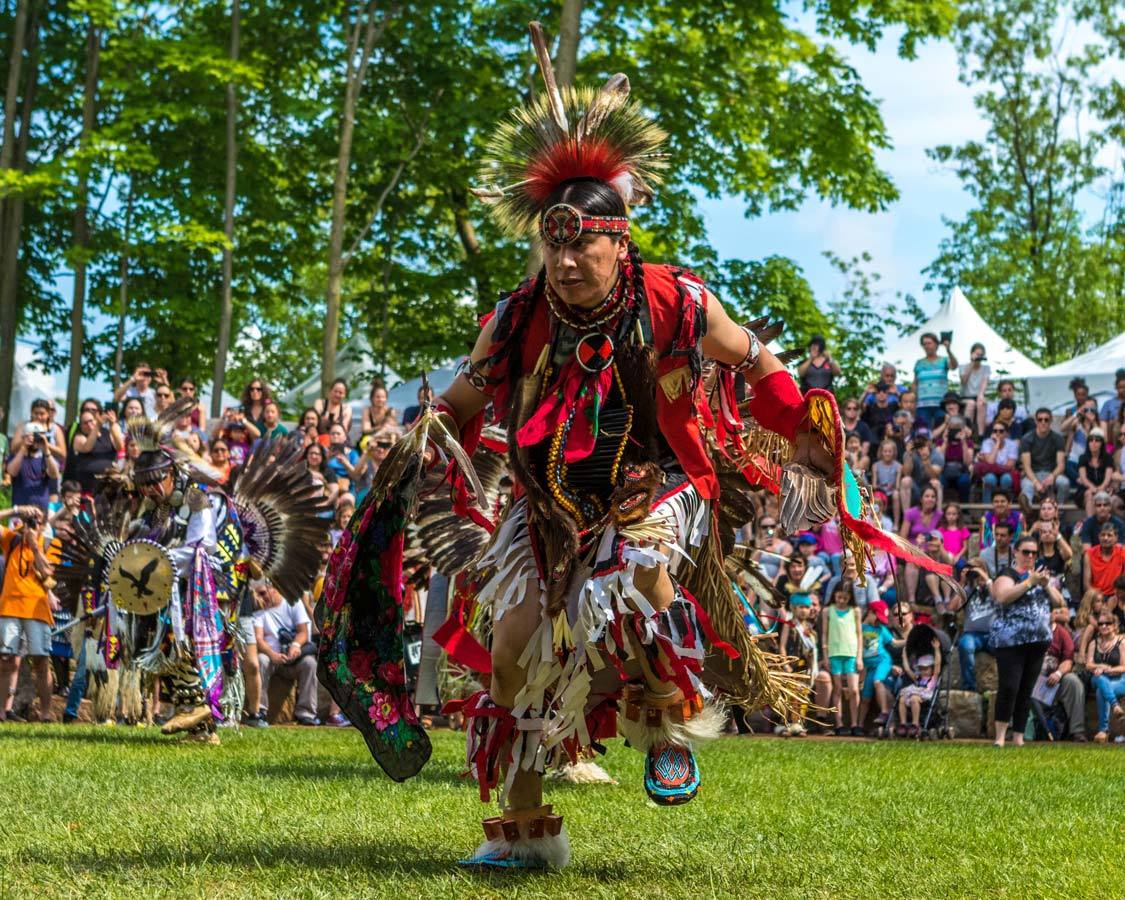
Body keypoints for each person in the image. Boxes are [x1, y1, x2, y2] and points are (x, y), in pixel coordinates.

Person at [314, 46, 926, 870]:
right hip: (548, 498)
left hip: (657, 483)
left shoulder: (678, 301)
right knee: (514, 649)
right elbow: (459, 405)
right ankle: (526, 833)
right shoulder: (517, 316)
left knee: (635, 579)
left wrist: (802, 419)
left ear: (617, 240)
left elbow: (755, 364)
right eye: (551, 250)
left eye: (581, 250)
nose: (563, 265)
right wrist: (425, 441)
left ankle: (666, 718)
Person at [989, 534, 1060, 747]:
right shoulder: (1007, 574)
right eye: (1026, 552)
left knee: (1026, 689)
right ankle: (1000, 737)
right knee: (1009, 687)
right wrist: (1030, 582)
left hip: (1038, 641)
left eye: (1034, 553)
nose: (1030, 556)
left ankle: (1018, 737)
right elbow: (1002, 596)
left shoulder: (1040, 576)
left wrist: (1046, 585)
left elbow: (1059, 602)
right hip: (1011, 642)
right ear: (1016, 552)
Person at [0, 505, 59, 721]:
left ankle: (45, 713)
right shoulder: (12, 540)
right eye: (31, 521)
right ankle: (3, 712)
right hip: (9, 607)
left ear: (44, 525)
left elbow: (48, 572)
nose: (34, 525)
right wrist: (16, 511)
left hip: (37, 609)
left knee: (41, 661)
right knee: (7, 660)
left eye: (38, 521)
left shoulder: (50, 543)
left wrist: (35, 546)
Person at [253, 580, 320, 726]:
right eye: (257, 594)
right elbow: (258, 639)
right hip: (271, 658)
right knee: (261, 660)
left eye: (262, 593)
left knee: (310, 663)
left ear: (274, 588)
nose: (259, 597)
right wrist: (272, 654)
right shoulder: (258, 610)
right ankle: (260, 710)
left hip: (293, 658)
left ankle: (306, 713)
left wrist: (295, 645)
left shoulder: (293, 603)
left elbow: (303, 632)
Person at [1040, 595, 1087, 742]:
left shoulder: (1062, 633)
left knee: (1073, 682)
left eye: (1054, 612)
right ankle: (1015, 729)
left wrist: (1059, 673)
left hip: (1055, 680)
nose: (1051, 615)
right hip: (1033, 679)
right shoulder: (1032, 631)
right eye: (1047, 611)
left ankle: (1077, 731)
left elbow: (1068, 660)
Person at [821, 579, 863, 736]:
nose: (841, 601)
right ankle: (839, 723)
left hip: (851, 653)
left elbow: (859, 635)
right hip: (834, 653)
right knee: (837, 688)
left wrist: (859, 657)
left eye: (845, 598)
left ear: (850, 597)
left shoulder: (855, 611)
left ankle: (855, 723)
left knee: (853, 689)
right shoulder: (828, 611)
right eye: (839, 597)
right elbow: (824, 634)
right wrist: (825, 655)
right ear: (834, 595)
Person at [949, 558, 995, 691]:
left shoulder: (994, 584)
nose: (973, 571)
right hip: (973, 635)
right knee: (964, 645)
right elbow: (952, 607)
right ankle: (970, 687)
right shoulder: (968, 589)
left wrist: (985, 578)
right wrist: (962, 583)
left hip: (993, 633)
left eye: (975, 568)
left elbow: (999, 599)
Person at [6, 408, 61, 512]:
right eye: (31, 436)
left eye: (38, 436)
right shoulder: (17, 456)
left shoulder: (46, 458)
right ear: (24, 437)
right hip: (19, 512)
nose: (34, 440)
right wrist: (23, 448)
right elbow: (12, 472)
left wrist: (46, 449)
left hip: (41, 515)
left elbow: (54, 474)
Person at [1086, 613, 1125, 742]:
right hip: (1098, 678)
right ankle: (1115, 706)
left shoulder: (1121, 642)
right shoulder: (1094, 643)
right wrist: (1099, 666)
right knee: (1099, 678)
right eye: (1100, 623)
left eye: (1107, 623)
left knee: (1100, 691)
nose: (1103, 626)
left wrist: (1108, 669)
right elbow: (1088, 665)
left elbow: (1124, 667)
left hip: (1119, 680)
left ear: (1114, 626)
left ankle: (1103, 731)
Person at [1019, 408, 1070, 506]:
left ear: (1051, 421)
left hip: (1052, 473)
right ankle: (1028, 515)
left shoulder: (1058, 438)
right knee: (1027, 486)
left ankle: (1058, 513)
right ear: (1035, 421)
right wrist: (1035, 482)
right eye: (1040, 419)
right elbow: (1027, 466)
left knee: (1064, 483)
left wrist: (1052, 476)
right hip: (1032, 474)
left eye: (1046, 420)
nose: (1043, 422)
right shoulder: (1026, 439)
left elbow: (1061, 465)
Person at [858, 599, 895, 732]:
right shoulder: (860, 628)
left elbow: (894, 643)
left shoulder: (881, 629)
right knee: (865, 698)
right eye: (877, 618)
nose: (878, 622)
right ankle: (859, 725)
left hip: (882, 661)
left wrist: (908, 640)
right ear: (870, 613)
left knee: (878, 681)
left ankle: (884, 712)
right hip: (869, 667)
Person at [68, 405, 123, 494]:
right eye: (85, 423)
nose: (89, 425)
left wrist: (113, 424)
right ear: (80, 425)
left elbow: (119, 446)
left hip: (109, 484)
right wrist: (97, 426)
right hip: (88, 485)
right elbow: (87, 447)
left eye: (91, 421)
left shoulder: (107, 433)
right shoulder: (79, 437)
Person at [912, 332, 957, 428]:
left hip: (940, 404)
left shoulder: (944, 360)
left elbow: (954, 366)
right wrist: (913, 400)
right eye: (924, 344)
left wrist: (948, 350)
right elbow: (915, 383)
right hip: (922, 405)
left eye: (929, 343)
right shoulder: (919, 363)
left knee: (941, 430)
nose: (927, 346)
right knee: (923, 432)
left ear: (936, 344)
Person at [896, 642, 940, 738]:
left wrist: (936, 649)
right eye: (921, 669)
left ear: (931, 669)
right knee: (902, 699)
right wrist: (904, 656)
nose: (923, 671)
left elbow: (937, 665)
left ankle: (915, 724)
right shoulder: (917, 678)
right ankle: (903, 723)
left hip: (926, 694)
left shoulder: (933, 678)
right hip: (915, 692)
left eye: (926, 669)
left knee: (914, 698)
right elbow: (907, 670)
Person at [974, 420, 1020, 503]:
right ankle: (987, 509)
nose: (997, 433)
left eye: (1001, 431)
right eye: (995, 431)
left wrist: (993, 464)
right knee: (990, 479)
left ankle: (1005, 506)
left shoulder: (1012, 444)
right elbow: (990, 462)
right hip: (990, 472)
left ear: (1006, 433)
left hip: (1006, 472)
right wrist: (997, 444)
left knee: (1006, 479)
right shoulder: (987, 443)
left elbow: (1009, 466)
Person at [934, 414, 973, 503]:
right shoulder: (940, 442)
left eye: (957, 428)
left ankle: (965, 509)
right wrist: (945, 442)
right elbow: (939, 460)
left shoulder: (968, 443)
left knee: (964, 481)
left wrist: (963, 442)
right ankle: (940, 507)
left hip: (961, 470)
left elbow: (967, 462)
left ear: (962, 429)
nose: (955, 431)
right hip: (945, 470)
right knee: (940, 482)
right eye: (952, 428)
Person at [1076, 429, 1113, 517]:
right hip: (1085, 489)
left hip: (1103, 487)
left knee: (1103, 497)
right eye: (1091, 440)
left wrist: (1101, 488)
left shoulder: (1108, 458)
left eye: (1097, 440)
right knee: (1089, 494)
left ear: (1102, 443)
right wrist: (1093, 488)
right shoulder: (1083, 457)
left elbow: (1108, 478)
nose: (1093, 443)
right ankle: (1091, 523)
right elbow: (1083, 478)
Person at [1083, 521, 1125, 597]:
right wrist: (1098, 599)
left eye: (1109, 535)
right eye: (1103, 535)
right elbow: (1086, 584)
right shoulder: (1089, 554)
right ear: (1099, 536)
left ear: (1116, 538)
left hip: (1117, 596)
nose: (1105, 538)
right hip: (1095, 596)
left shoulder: (1123, 553)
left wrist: (1116, 598)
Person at [958, 342, 990, 434]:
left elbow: (984, 384)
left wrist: (981, 395)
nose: (979, 357)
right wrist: (972, 363)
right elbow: (964, 381)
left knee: (981, 403)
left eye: (981, 355)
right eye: (977, 354)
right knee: (971, 404)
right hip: (965, 397)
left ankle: (980, 435)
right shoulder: (963, 367)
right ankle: (968, 432)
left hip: (978, 396)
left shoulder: (986, 368)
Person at [870, 440, 902, 527]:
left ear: (894, 452)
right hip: (880, 491)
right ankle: (875, 521)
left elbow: (898, 485)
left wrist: (894, 487)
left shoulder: (898, 466)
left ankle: (896, 523)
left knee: (896, 494)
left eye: (890, 451)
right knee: (876, 497)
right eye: (885, 451)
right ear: (881, 452)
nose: (887, 454)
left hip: (891, 491)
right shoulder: (876, 466)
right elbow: (874, 485)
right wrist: (880, 488)